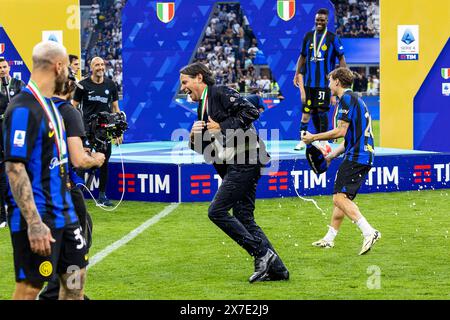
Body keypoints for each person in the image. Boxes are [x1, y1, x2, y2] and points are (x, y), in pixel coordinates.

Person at [180, 62, 289, 283]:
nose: (183, 88)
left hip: (246, 159)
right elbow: (207, 147)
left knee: (216, 211)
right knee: (243, 217)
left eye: (185, 82)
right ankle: (277, 269)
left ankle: (262, 254)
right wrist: (193, 137)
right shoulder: (202, 106)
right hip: (238, 163)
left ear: (199, 78)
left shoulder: (219, 92)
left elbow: (251, 111)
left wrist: (221, 126)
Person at [3, 40, 88, 299]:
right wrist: (35, 224)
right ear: (58, 67)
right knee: (30, 289)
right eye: (68, 70)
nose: (71, 76)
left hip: (66, 214)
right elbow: (15, 168)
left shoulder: (50, 106)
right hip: (39, 218)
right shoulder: (22, 108)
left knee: (75, 284)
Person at [38, 72, 105, 300]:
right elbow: (79, 161)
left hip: (40, 194)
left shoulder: (38, 110)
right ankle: (60, 293)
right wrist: (96, 158)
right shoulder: (68, 111)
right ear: (69, 87)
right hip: (64, 191)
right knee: (77, 246)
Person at [302, 67, 381, 255]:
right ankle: (329, 238)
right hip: (360, 154)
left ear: (337, 81)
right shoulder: (354, 99)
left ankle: (369, 231)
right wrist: (331, 156)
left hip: (357, 156)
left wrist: (313, 138)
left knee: (339, 198)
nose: (328, 85)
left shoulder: (346, 98)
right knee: (341, 199)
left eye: (330, 80)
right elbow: (348, 139)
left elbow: (340, 132)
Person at [293, 8, 346, 151]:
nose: (319, 22)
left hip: (324, 85)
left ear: (327, 21)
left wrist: (343, 78)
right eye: (317, 20)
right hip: (310, 84)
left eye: (322, 20)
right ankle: (303, 140)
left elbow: (341, 57)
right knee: (306, 113)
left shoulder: (332, 38)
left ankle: (323, 142)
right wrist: (297, 73)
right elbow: (302, 57)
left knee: (322, 113)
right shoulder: (308, 36)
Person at [73, 56, 123, 207]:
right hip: (86, 130)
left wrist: (118, 131)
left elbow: (115, 108)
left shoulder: (111, 84)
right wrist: (76, 126)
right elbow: (73, 106)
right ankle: (78, 195)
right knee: (81, 161)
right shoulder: (82, 85)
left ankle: (101, 196)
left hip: (105, 130)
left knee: (104, 162)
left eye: (102, 65)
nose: (100, 67)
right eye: (97, 65)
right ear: (91, 67)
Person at [0, 57, 25, 228]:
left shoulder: (18, 84)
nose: (2, 70)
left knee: (19, 169)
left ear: (9, 67)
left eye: (4, 66)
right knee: (2, 173)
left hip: (16, 132)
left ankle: (22, 210)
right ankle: (2, 213)